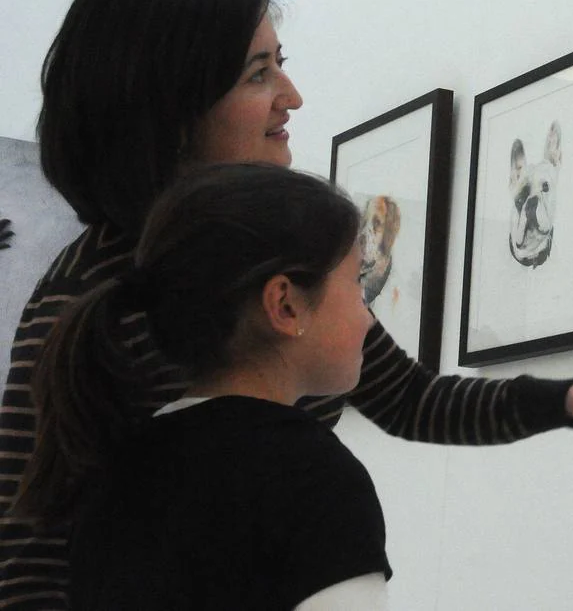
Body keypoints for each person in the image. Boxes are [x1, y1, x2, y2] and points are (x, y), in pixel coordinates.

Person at [0, 0, 573, 609]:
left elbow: (410, 398)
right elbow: (28, 542)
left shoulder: (266, 252)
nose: (291, 97)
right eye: (257, 74)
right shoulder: (90, 296)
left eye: (282, 66)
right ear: (171, 105)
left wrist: (571, 398)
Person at [14, 163, 392, 609]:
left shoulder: (113, 467)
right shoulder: (312, 476)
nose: (368, 315)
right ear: (285, 304)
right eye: (355, 284)